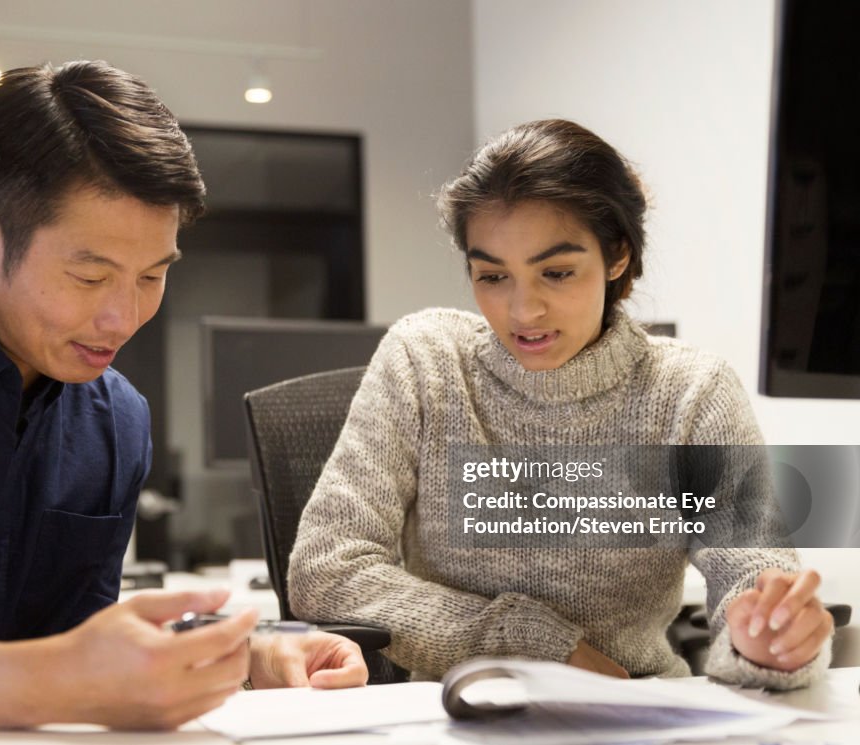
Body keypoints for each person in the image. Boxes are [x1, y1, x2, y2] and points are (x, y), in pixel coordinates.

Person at [0, 60, 366, 730]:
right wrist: (63, 678)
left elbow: (79, 643)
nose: (124, 318)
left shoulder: (115, 420)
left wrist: (242, 658)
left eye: (152, 275)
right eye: (90, 276)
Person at [288, 119, 834, 689]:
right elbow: (328, 568)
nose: (524, 311)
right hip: (456, 714)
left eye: (556, 272)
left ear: (617, 255)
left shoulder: (690, 391)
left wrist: (770, 643)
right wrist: (529, 643)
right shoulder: (424, 361)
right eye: (492, 276)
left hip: (635, 705)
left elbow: (754, 575)